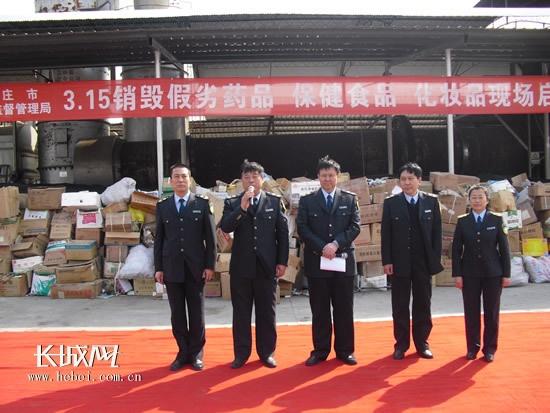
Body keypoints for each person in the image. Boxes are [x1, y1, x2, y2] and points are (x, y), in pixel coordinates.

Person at [220, 160, 289, 369]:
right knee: (241, 313)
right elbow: (225, 226)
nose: (251, 180)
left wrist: (282, 262)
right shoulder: (232, 203)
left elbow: (283, 236)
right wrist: (242, 207)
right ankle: (241, 354)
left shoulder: (274, 202)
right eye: (246, 177)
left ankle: (267, 352)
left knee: (266, 312)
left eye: (255, 176)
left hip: (266, 266)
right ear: (241, 180)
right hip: (242, 267)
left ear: (262, 179)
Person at [296, 156, 361, 366]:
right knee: (320, 310)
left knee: (344, 309)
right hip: (317, 263)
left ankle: (345, 351)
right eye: (324, 175)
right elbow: (302, 228)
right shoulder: (307, 201)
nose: (327, 179)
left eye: (331, 175)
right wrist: (322, 246)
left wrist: (335, 244)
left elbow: (355, 226)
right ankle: (320, 350)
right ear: (318, 177)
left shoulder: (349, 199)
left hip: (342, 261)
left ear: (337, 177)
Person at [154, 163, 216, 372]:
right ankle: (182, 353)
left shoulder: (201, 204)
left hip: (196, 268)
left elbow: (211, 239)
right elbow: (159, 240)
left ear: (190, 180)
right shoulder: (163, 206)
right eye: (176, 177)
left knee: (197, 313)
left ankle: (197, 353)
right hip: (172, 268)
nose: (180, 180)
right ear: (170, 181)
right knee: (177, 314)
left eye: (184, 177)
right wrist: (159, 268)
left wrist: (210, 266)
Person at [381, 162, 443, 360]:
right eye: (403, 179)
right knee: (399, 304)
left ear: (419, 180)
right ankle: (401, 344)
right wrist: (387, 260)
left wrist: (434, 259)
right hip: (399, 262)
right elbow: (386, 235)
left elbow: (437, 234)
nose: (407, 183)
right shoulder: (391, 203)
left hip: (422, 262)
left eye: (410, 179)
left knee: (423, 303)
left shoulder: (431, 202)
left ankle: (422, 343)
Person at [452, 185, 511, 362]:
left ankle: (490, 349)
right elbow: (456, 250)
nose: (477, 200)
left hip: (493, 273)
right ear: (469, 200)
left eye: (480, 197)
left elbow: (505, 250)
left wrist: (506, 274)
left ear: (487, 200)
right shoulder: (463, 221)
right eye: (474, 197)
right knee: (471, 312)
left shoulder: (497, 220)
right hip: (469, 273)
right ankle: (472, 347)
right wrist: (457, 274)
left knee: (492, 312)